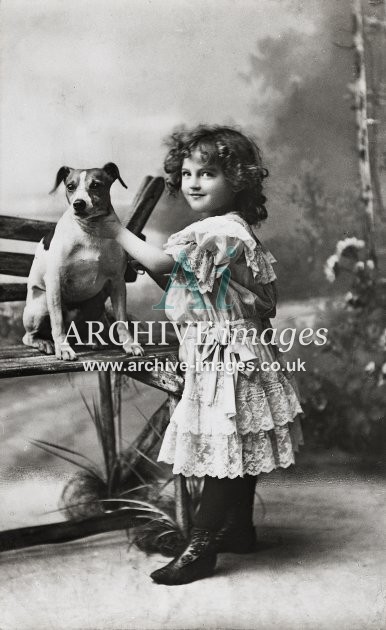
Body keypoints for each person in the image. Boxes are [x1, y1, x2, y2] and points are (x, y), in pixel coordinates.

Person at [101, 125, 303, 585]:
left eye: (208, 173)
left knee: (222, 450)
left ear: (238, 180)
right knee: (240, 442)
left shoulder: (218, 231)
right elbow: (193, 288)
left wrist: (114, 229)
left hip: (226, 359)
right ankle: (238, 530)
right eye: (188, 173)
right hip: (235, 352)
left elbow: (160, 265)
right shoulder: (233, 231)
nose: (193, 182)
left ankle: (202, 547)